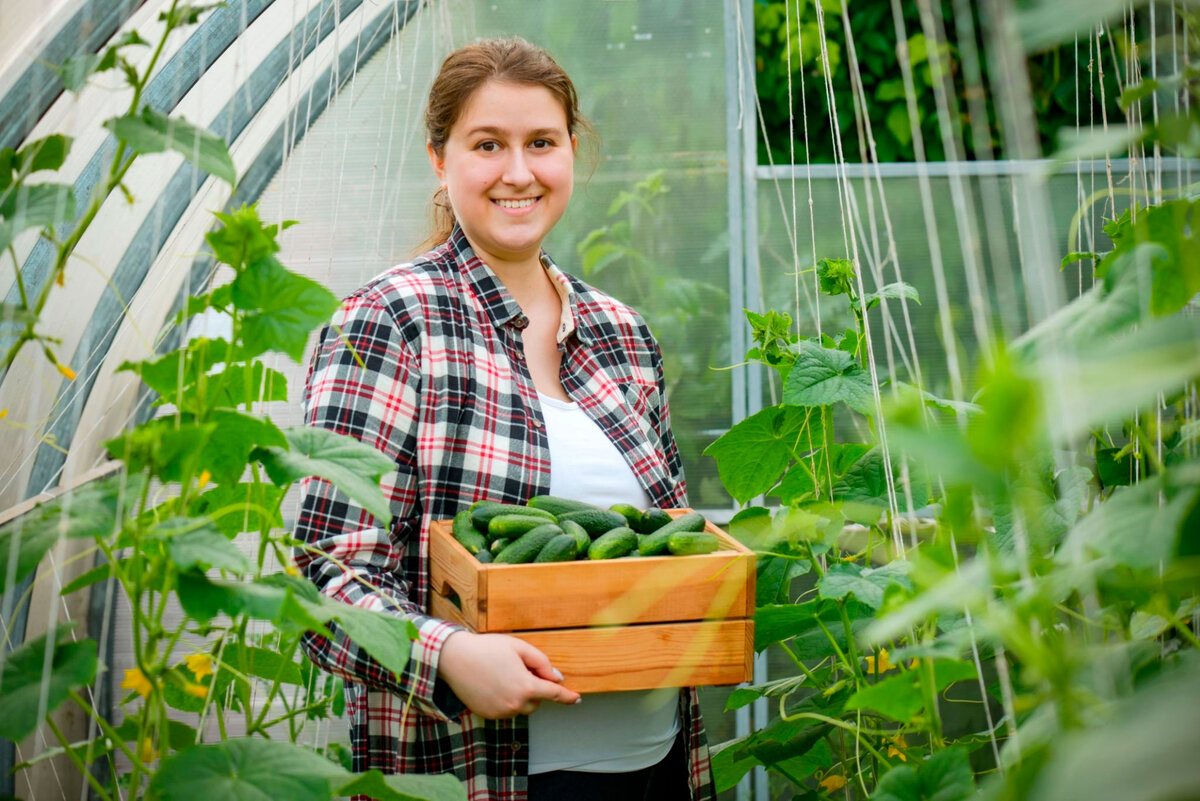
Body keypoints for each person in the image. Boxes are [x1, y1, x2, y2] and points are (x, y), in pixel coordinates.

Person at [294, 36, 715, 801]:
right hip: (486, 775)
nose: (518, 173)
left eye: (541, 143)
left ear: (571, 153)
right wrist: (447, 654)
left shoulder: (624, 334)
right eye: (488, 144)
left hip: (657, 765)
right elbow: (327, 572)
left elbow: (669, 547)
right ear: (439, 158)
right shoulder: (390, 321)